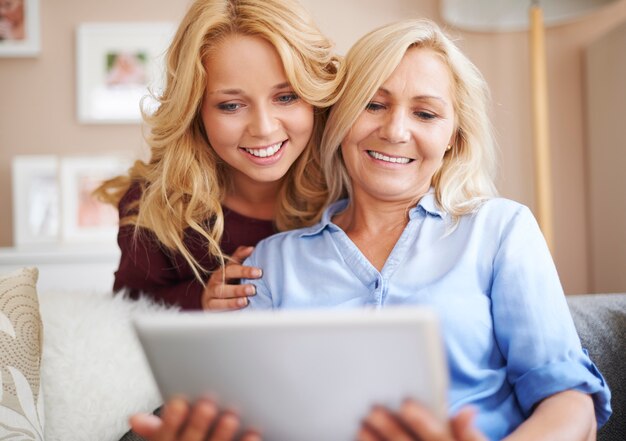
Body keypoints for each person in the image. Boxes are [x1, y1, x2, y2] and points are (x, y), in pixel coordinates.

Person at [129, 18, 612, 441]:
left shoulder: (500, 231)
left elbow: (570, 404)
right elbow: (242, 417)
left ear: (454, 138)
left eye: (425, 113)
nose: (396, 131)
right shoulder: (268, 264)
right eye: (374, 105)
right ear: (339, 117)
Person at [95, 0, 342, 311]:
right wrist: (198, 300)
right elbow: (124, 309)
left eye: (286, 96)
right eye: (231, 105)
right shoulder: (155, 206)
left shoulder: (346, 190)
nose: (264, 129)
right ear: (195, 111)